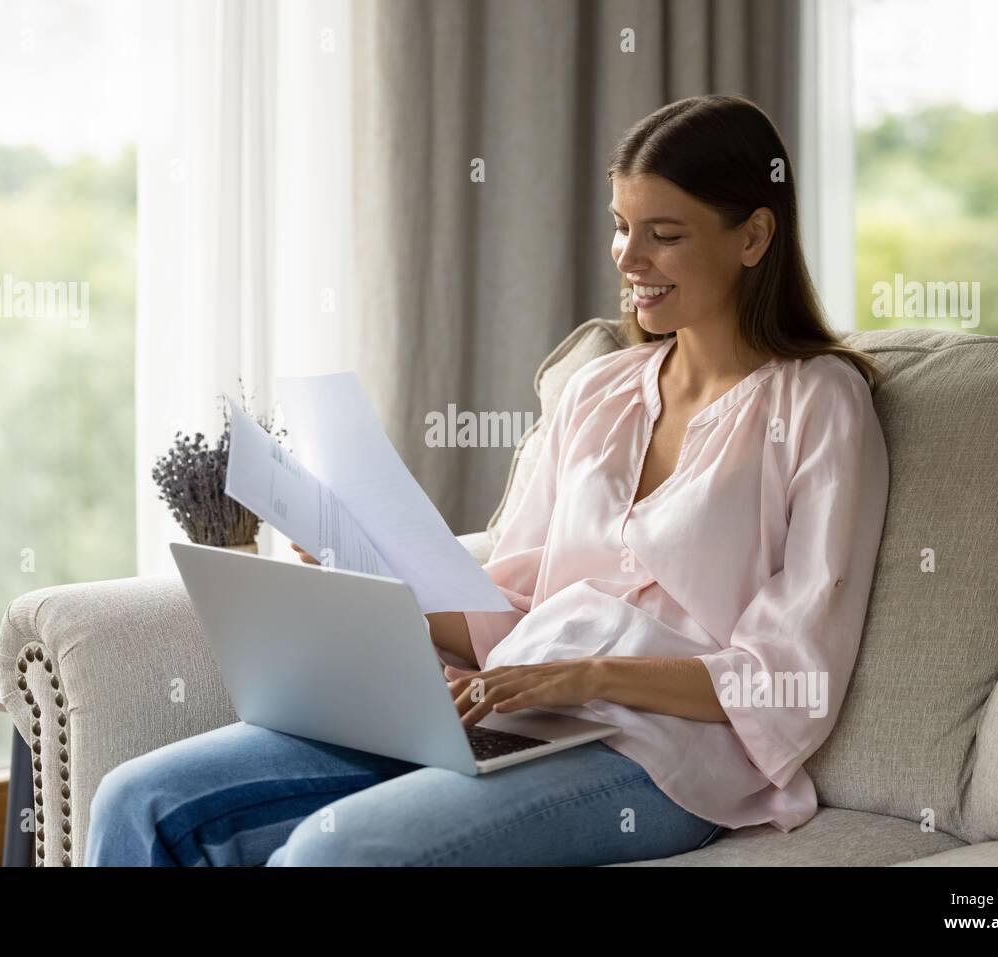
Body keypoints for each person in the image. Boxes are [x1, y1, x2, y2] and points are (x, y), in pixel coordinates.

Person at [85, 94, 890, 867]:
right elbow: (507, 619)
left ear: (753, 236)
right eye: (620, 228)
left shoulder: (819, 402)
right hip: (510, 708)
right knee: (135, 798)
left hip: (661, 757)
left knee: (337, 849)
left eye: (664, 234)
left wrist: (585, 673)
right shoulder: (599, 390)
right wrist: (356, 561)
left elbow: (796, 673)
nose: (628, 259)